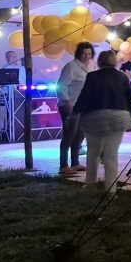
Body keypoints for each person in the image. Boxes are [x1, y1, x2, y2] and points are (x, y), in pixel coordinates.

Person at [74, 50, 131, 193]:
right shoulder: (122, 77)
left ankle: (90, 185)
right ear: (114, 61)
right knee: (111, 155)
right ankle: (111, 190)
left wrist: (75, 113)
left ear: (99, 61)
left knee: (93, 152)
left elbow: (84, 97)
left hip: (94, 117)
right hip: (118, 118)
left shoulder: (92, 76)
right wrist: (128, 114)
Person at [56, 41, 95, 175]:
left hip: (83, 105)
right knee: (69, 134)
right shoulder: (71, 66)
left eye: (89, 53)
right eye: (84, 53)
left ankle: (75, 162)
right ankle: (63, 165)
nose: (87, 56)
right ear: (79, 53)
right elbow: (61, 85)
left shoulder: (90, 67)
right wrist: (67, 102)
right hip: (70, 105)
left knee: (80, 135)